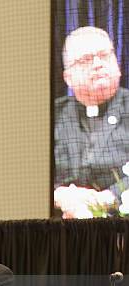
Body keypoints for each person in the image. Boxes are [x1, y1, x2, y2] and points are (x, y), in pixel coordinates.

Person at [54, 26, 129, 203]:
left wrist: (109, 198)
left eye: (104, 55)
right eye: (86, 60)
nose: (97, 64)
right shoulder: (53, 116)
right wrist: (58, 197)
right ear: (68, 77)